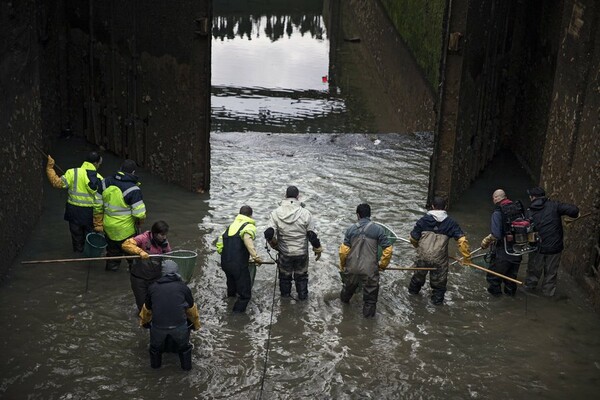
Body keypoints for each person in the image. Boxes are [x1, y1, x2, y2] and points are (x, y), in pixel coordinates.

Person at [407, 196, 471, 305]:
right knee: (439, 287)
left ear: (432, 206)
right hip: (439, 260)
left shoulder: (423, 220)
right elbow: (462, 240)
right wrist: (466, 258)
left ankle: (411, 301)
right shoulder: (451, 223)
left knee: (417, 280)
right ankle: (437, 309)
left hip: (422, 257)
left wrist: (417, 247)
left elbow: (413, 238)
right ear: (445, 207)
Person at [139, 260, 200, 371]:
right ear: (177, 272)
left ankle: (155, 372)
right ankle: (186, 371)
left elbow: (146, 309)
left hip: (158, 327)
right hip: (179, 327)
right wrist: (195, 325)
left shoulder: (153, 288)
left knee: (155, 349)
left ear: (162, 273)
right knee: (184, 349)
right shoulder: (183, 288)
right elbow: (192, 310)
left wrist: (144, 323)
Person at [264, 185, 323, 300]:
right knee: (301, 277)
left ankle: (285, 301)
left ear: (285, 196)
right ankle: (302, 300)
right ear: (298, 197)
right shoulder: (306, 213)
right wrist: (318, 249)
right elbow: (312, 235)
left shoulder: (275, 213)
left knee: (285, 277)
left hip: (285, 252)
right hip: (301, 253)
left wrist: (274, 244)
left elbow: (269, 233)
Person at [338, 203, 393, 317]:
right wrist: (382, 265)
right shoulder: (378, 230)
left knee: (347, 290)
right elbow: (388, 249)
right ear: (369, 215)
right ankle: (367, 327)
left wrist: (344, 266)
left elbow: (343, 251)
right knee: (370, 300)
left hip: (352, 267)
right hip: (369, 269)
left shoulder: (351, 229)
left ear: (358, 215)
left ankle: (344, 313)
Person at [524, 187, 579, 296]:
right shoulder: (555, 205)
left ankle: (529, 292)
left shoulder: (529, 212)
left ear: (533, 197)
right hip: (554, 248)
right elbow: (574, 210)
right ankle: (547, 296)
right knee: (551, 274)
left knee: (533, 272)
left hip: (537, 247)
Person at [45, 152, 103, 253]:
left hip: (73, 212)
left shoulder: (72, 172)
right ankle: (87, 259)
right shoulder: (99, 178)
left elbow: (56, 183)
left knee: (76, 237)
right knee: (89, 237)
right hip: (90, 213)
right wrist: (98, 221)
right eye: (99, 164)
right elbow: (100, 201)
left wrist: (50, 168)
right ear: (95, 163)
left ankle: (77, 254)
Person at [97, 159, 146, 271]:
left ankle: (111, 273)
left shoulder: (105, 182)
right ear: (133, 173)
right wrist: (140, 221)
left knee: (113, 253)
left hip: (109, 228)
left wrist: (98, 222)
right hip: (126, 230)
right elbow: (140, 213)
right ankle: (133, 272)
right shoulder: (133, 189)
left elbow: (97, 205)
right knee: (132, 257)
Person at [216, 205, 262, 313]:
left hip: (225, 263)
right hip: (238, 265)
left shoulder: (229, 227)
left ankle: (229, 302)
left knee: (232, 286)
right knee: (245, 295)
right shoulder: (249, 226)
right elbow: (247, 239)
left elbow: (220, 247)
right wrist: (255, 257)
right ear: (251, 215)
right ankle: (235, 317)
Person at [480, 189, 524, 296]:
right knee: (510, 279)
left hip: (503, 253)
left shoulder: (498, 213)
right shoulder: (518, 208)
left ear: (495, 198)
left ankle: (495, 304)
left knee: (493, 278)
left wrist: (486, 241)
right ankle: (511, 302)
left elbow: (496, 234)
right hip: (517, 251)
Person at [122, 220, 172, 311]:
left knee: (156, 303)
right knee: (143, 306)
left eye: (165, 235)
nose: (164, 237)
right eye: (162, 235)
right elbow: (126, 244)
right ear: (155, 233)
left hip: (155, 278)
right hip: (139, 278)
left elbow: (169, 258)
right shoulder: (143, 238)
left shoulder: (165, 243)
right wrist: (140, 252)